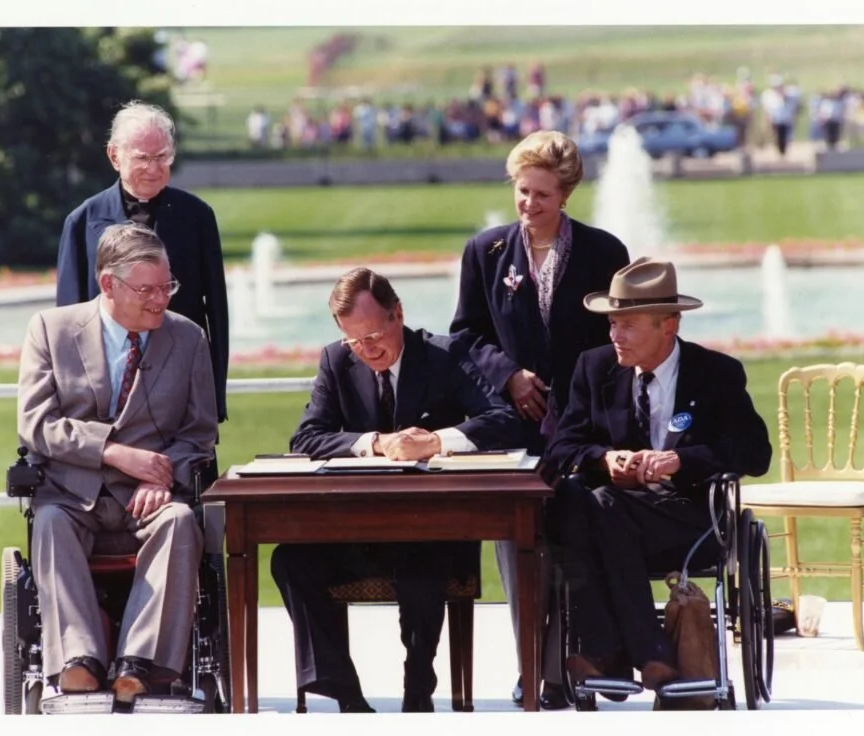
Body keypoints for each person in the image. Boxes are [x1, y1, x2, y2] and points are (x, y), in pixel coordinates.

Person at [271, 267, 521, 713]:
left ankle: (418, 686)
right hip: (358, 531)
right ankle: (344, 695)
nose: (367, 351)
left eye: (373, 336)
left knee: (421, 561)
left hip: (434, 532)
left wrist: (438, 439)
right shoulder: (336, 360)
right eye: (355, 341)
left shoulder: (445, 355)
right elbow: (306, 437)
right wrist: (374, 443)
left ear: (398, 314)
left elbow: (503, 420)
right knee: (290, 559)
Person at [449, 129, 630, 707]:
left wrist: (577, 395)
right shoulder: (486, 251)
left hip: (585, 427)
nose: (529, 205)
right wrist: (509, 375)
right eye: (522, 192)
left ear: (566, 195)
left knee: (575, 539)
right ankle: (538, 669)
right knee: (518, 545)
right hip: (513, 427)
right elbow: (465, 334)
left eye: (542, 195)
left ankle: (581, 665)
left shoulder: (605, 253)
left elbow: (617, 339)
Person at [540, 257, 772, 695]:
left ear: (669, 325)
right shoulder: (594, 368)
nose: (614, 336)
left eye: (628, 325)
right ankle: (649, 656)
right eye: (612, 323)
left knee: (596, 508)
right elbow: (561, 449)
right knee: (573, 499)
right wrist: (606, 459)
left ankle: (608, 652)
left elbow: (755, 454)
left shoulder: (716, 374)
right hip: (612, 517)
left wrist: (681, 461)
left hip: (686, 517)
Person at [19, 222, 218, 702]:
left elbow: (199, 432)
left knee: (178, 521)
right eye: (147, 289)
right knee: (48, 522)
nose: (160, 300)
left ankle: (138, 665)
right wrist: (112, 452)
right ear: (109, 284)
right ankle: (78, 661)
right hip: (72, 493)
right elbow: (37, 424)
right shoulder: (52, 330)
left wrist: (165, 473)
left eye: (167, 286)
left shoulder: (188, 338)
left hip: (149, 500)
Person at [56, 100, 230, 423]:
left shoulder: (198, 217)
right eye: (142, 158)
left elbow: (216, 314)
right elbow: (68, 321)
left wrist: (213, 399)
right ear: (114, 156)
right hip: (104, 396)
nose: (153, 168)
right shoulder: (82, 222)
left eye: (162, 156)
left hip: (179, 388)